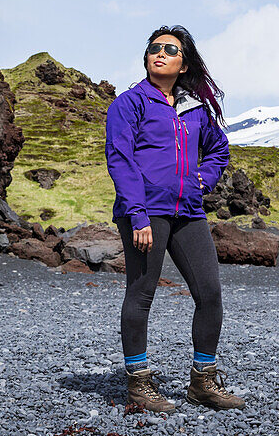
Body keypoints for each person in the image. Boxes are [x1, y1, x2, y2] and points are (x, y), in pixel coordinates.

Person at [104, 24, 245, 412]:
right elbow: (121, 159)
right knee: (142, 292)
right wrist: (137, 215)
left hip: (189, 212)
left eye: (170, 49)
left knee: (210, 293)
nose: (159, 53)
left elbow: (218, 150)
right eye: (153, 48)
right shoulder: (129, 104)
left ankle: (203, 383)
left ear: (184, 64)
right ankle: (138, 385)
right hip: (146, 212)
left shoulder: (194, 108)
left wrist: (206, 178)